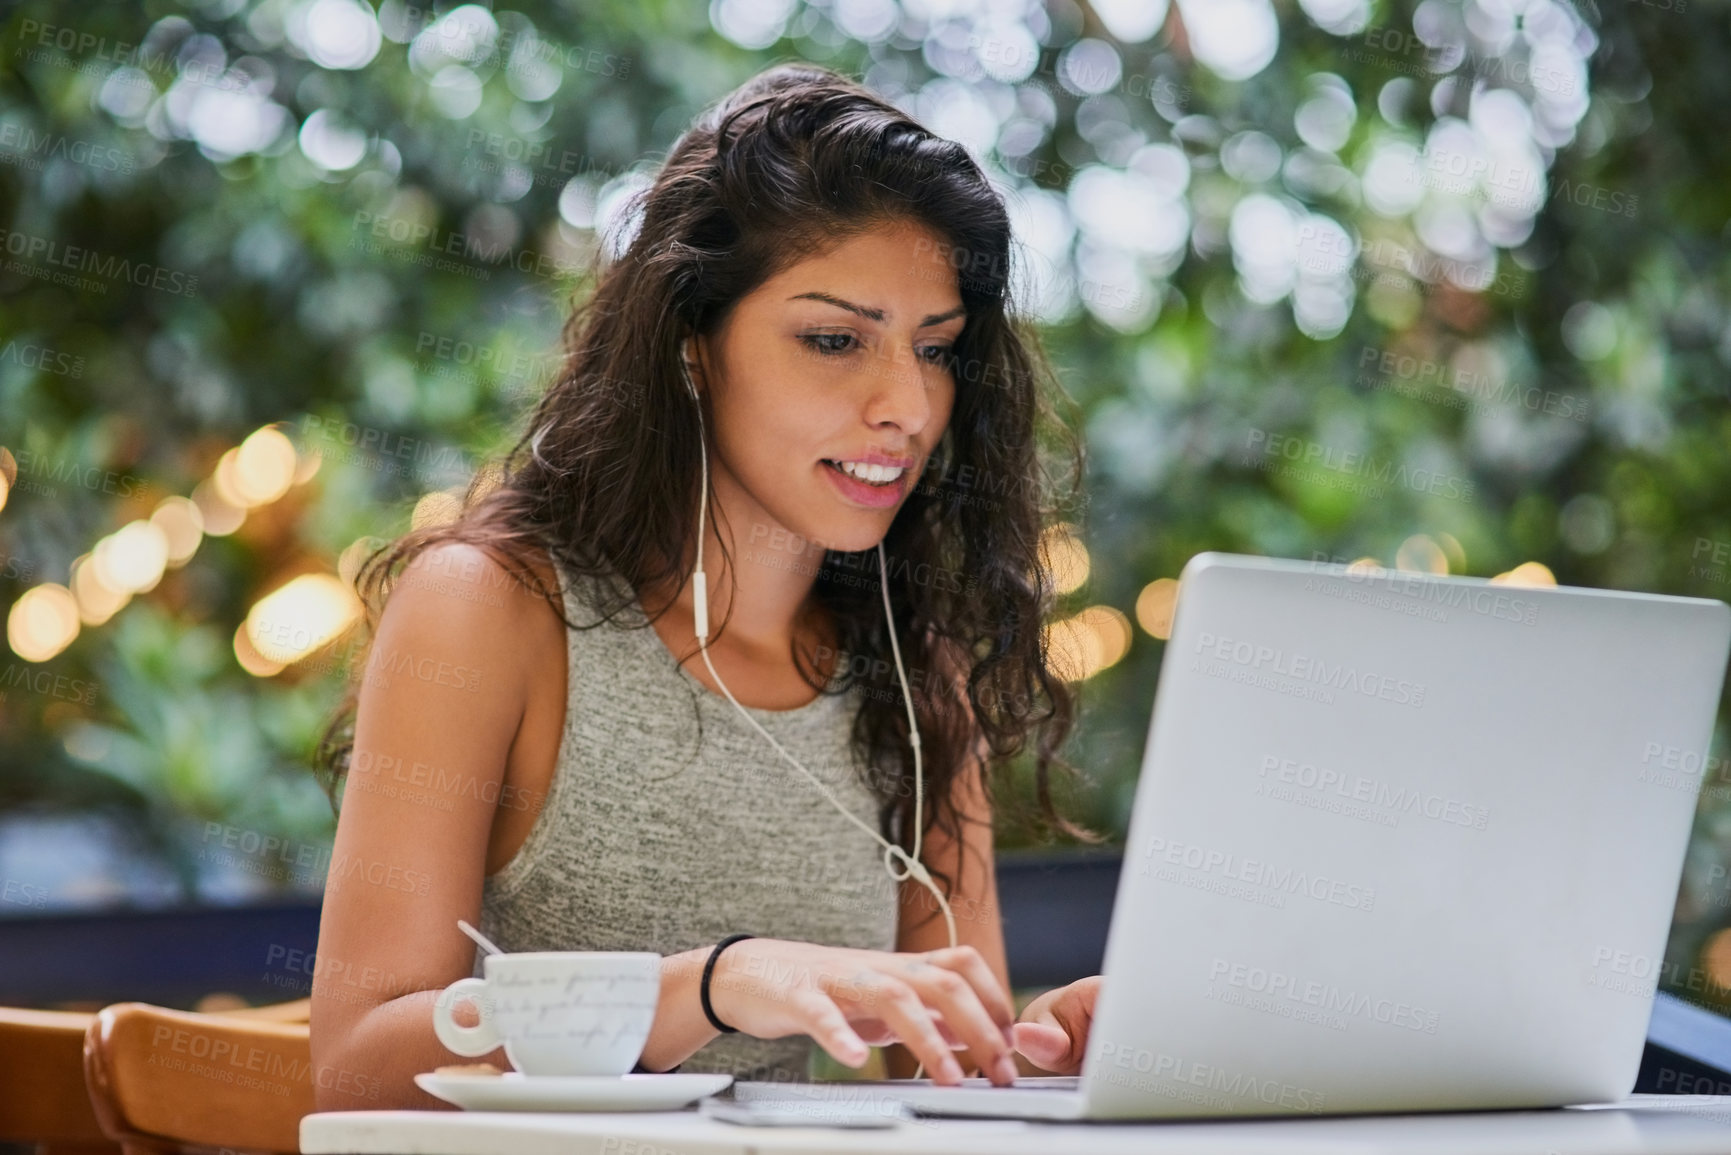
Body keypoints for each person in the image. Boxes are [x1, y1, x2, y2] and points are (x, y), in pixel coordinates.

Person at [308, 61, 1099, 1111]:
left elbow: (950, 1064)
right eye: (833, 340)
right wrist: (714, 986)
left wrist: (1045, 1053)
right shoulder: (492, 612)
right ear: (693, 344)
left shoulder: (911, 671)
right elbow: (358, 1065)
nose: (907, 404)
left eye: (938, 351)